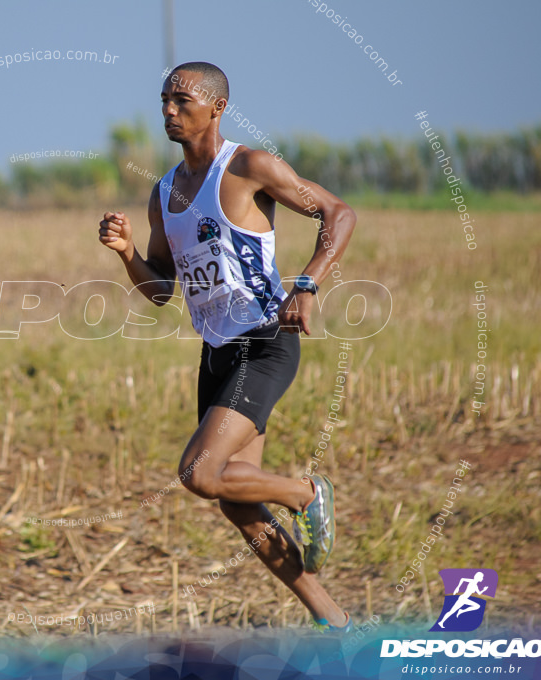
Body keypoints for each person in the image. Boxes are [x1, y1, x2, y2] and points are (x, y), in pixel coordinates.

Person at [98, 61, 356, 630]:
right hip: (215, 356)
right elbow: (161, 290)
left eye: (182, 100)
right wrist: (125, 252)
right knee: (237, 504)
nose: (169, 110)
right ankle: (335, 622)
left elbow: (338, 212)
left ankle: (306, 491)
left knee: (199, 473)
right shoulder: (163, 192)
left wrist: (306, 284)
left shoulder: (249, 167)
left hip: (263, 344)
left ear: (216, 108)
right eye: (164, 100)